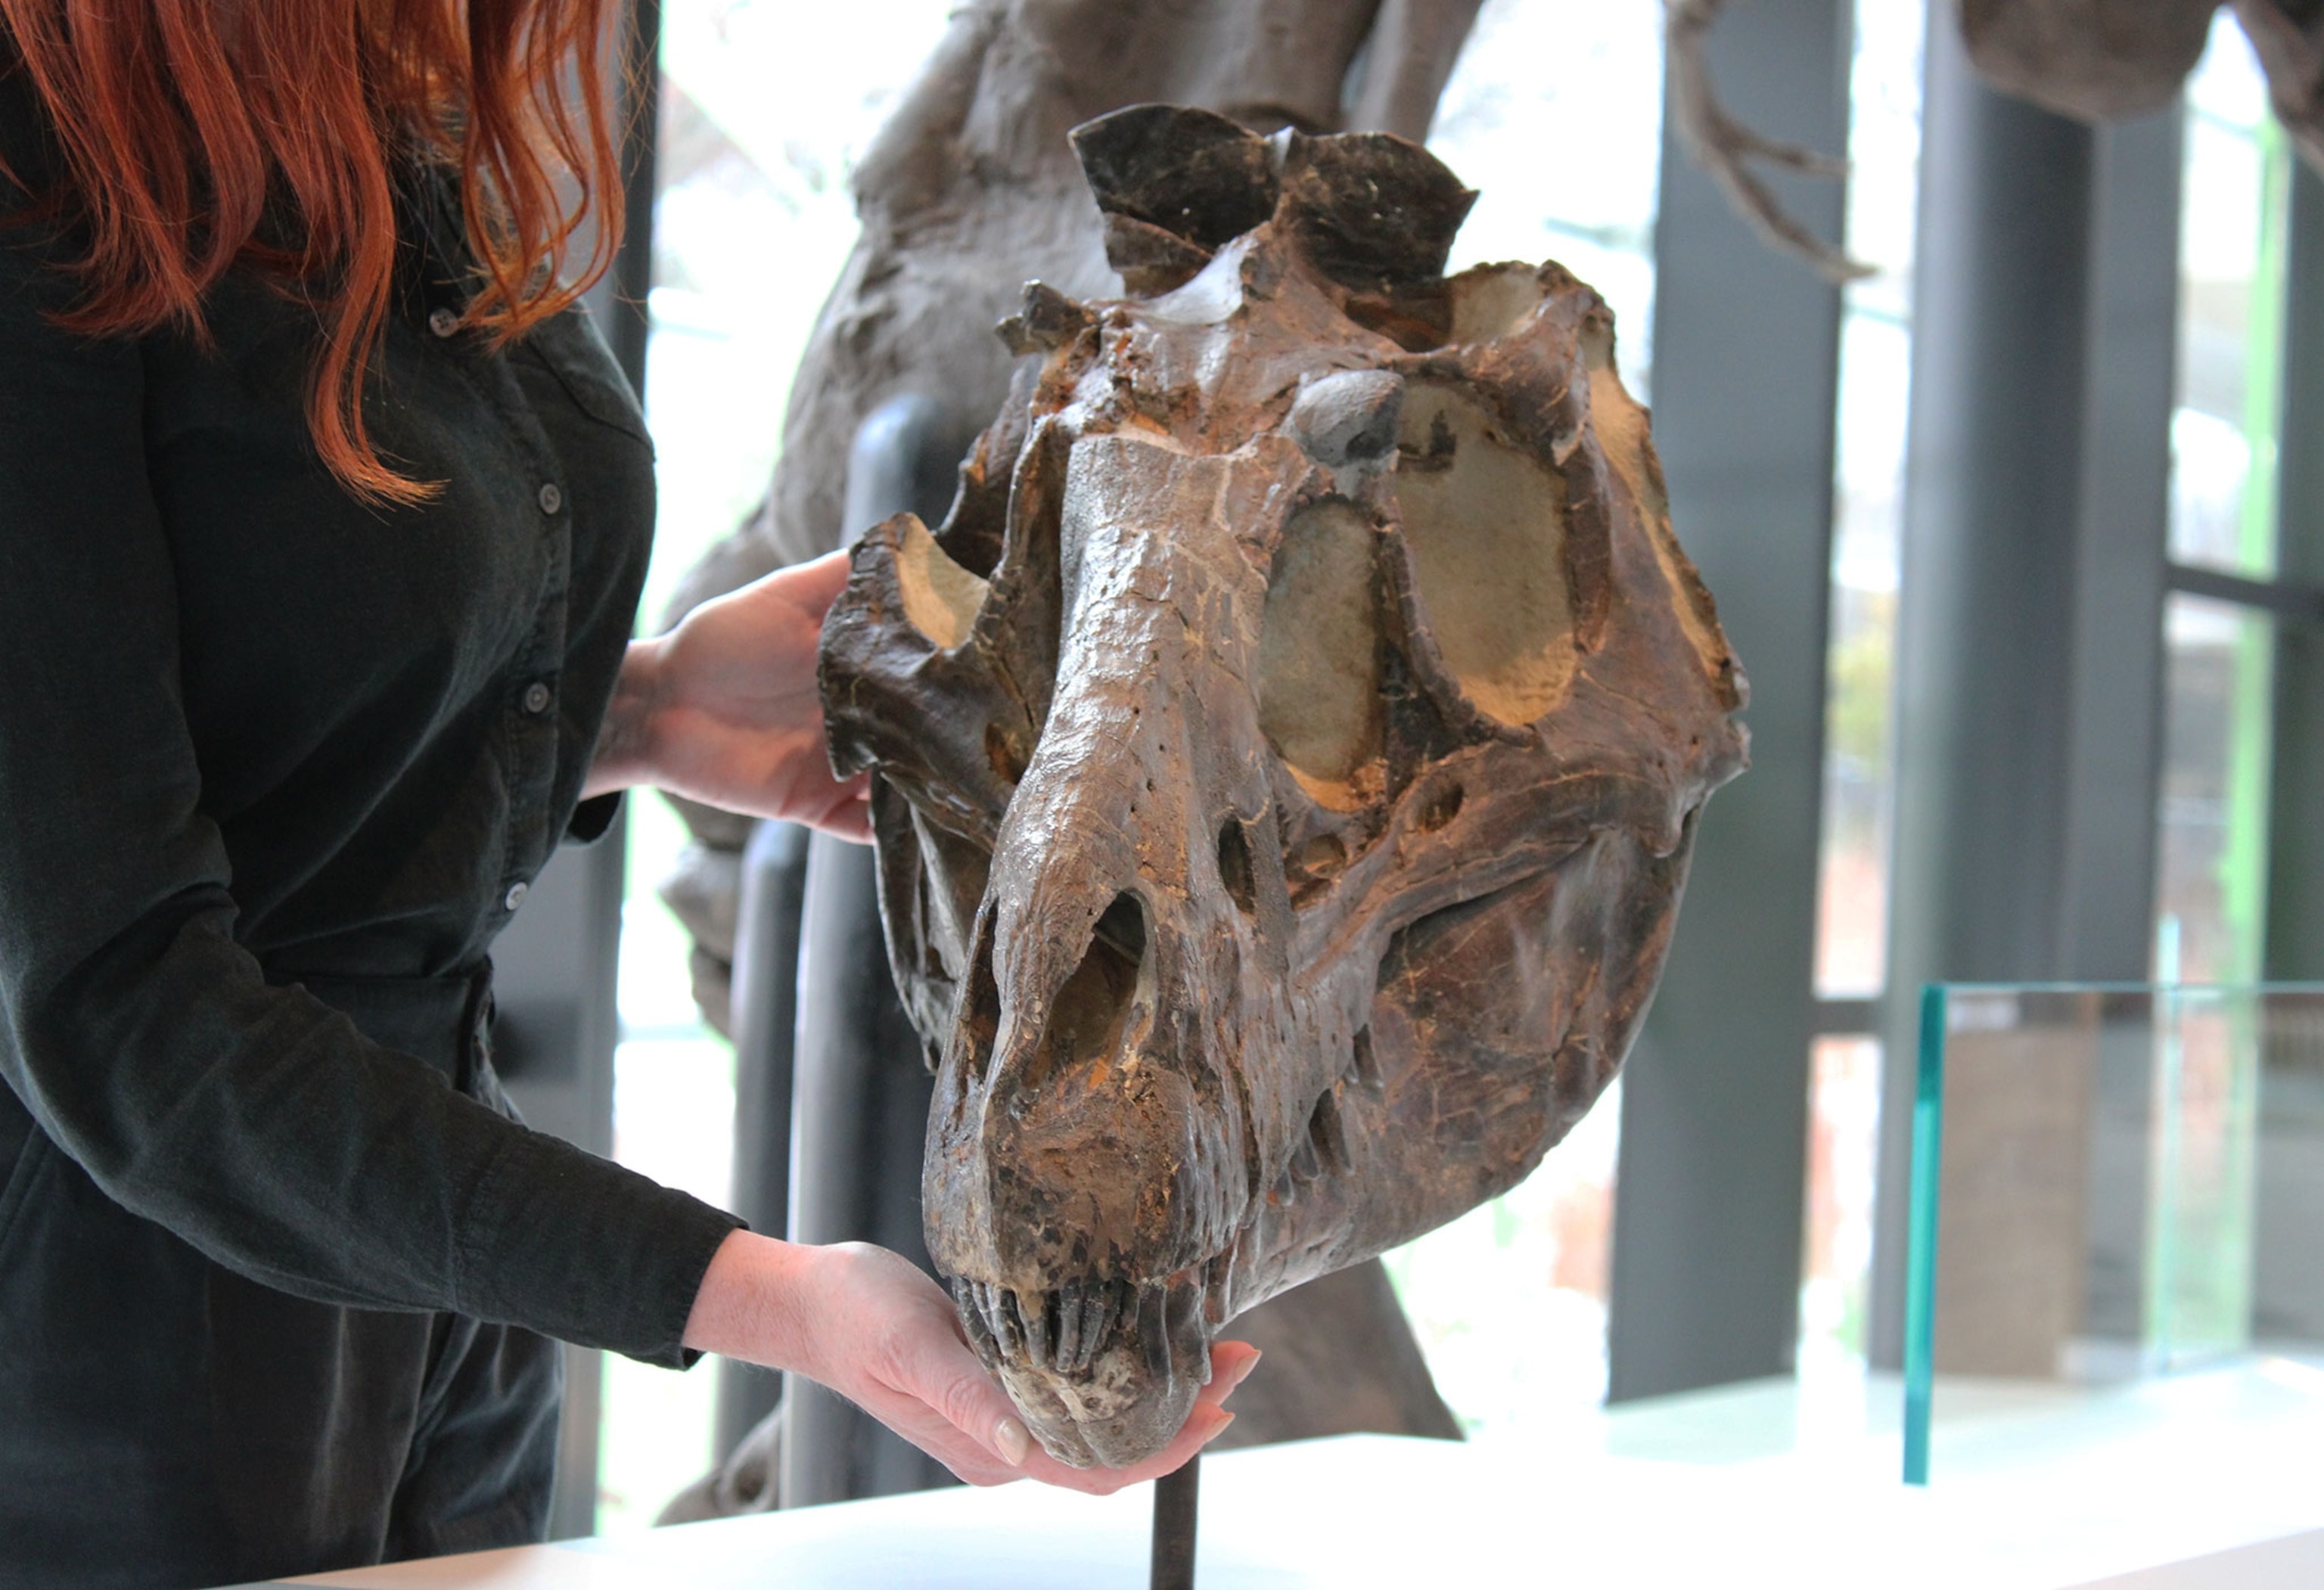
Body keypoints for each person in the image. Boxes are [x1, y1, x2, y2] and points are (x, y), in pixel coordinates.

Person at [0, 2, 1248, 1585]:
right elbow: (119, 1000)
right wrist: (760, 1295)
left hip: (438, 1312)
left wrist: (644, 709)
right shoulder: (46, 168)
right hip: (104, 1365)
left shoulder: (374, 95)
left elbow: (262, 736)